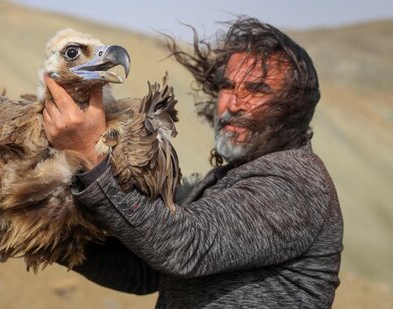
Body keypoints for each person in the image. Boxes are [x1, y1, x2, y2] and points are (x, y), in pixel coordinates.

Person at [42, 17, 343, 308]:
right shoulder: (228, 179)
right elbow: (144, 272)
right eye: (227, 86)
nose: (233, 103)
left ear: (295, 107)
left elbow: (185, 246)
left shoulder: (296, 183)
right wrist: (46, 234)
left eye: (257, 90)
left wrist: (91, 157)